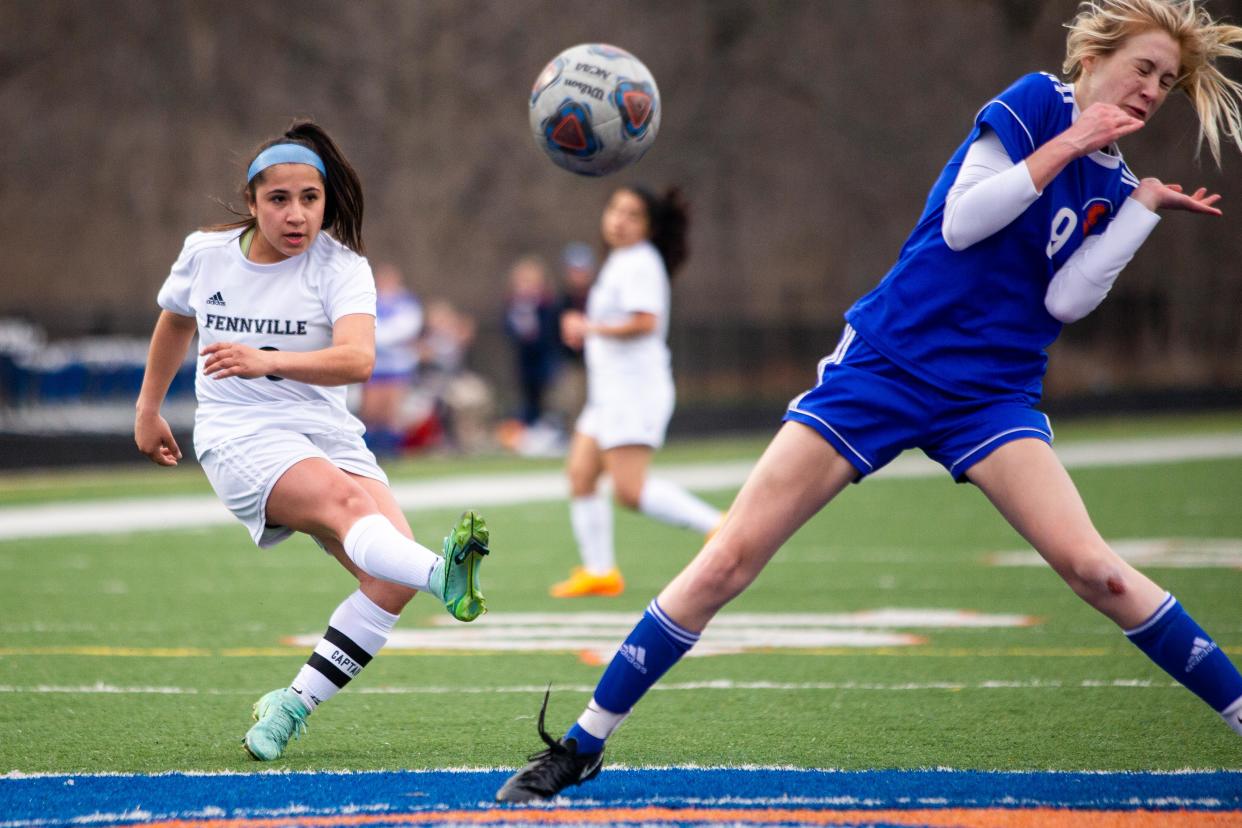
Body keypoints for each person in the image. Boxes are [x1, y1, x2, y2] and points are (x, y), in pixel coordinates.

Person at [496, 0, 1242, 801]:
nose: (1151, 89)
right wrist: (1070, 142)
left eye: (1166, 82)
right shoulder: (1035, 104)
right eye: (1144, 68)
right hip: (885, 366)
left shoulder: (1113, 178)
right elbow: (963, 224)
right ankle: (582, 744)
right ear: (1094, 55)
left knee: (1098, 571)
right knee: (729, 558)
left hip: (991, 396)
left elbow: (1064, 302)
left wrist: (1140, 211)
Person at [133, 121, 493, 762]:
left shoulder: (343, 268)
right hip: (239, 434)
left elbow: (357, 360)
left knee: (389, 581)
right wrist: (148, 407)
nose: (295, 214)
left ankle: (290, 705)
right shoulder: (206, 254)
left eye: (310, 198)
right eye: (279, 199)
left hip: (328, 434)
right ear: (251, 201)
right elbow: (175, 319)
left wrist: (267, 358)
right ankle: (446, 575)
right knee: (354, 513)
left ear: (326, 202)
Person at [550, 186, 723, 599]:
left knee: (630, 490)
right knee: (581, 474)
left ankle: (721, 527)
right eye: (615, 209)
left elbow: (645, 322)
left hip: (634, 392)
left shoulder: (640, 263)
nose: (618, 219)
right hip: (609, 393)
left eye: (632, 214)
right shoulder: (621, 262)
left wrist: (588, 328)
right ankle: (600, 572)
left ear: (649, 227)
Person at [359, 262, 423, 457]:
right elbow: (363, 325)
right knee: (371, 411)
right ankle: (369, 452)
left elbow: (405, 328)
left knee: (391, 412)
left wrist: (379, 337)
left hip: (397, 366)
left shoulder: (406, 301)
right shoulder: (368, 299)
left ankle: (392, 452)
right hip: (375, 365)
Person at [502, 255, 562, 428]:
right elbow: (510, 332)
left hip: (546, 364)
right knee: (528, 405)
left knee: (549, 403)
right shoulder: (513, 306)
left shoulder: (548, 305)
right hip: (524, 366)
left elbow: (549, 336)